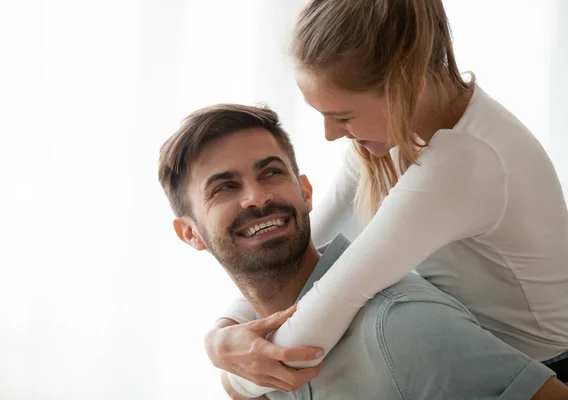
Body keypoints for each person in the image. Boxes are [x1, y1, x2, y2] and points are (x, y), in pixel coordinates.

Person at [204, 0, 568, 395]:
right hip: (460, 352)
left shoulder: (463, 161)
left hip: (539, 375)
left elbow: (328, 306)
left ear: (407, 85)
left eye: (342, 116)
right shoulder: (396, 130)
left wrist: (233, 378)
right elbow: (302, 253)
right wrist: (223, 334)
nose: (330, 133)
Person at [157, 104, 567, 399]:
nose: (255, 197)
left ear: (305, 191)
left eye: (271, 172)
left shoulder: (402, 327)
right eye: (225, 187)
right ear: (190, 234)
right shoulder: (257, 357)